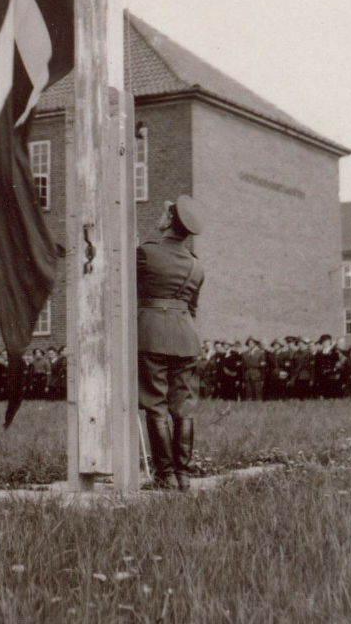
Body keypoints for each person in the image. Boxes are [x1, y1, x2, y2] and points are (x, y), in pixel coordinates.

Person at [137, 195, 205, 491]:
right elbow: (192, 307)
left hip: (153, 335)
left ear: (168, 222)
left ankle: (164, 475)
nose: (161, 215)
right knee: (184, 408)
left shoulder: (145, 253)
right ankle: (184, 475)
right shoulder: (195, 265)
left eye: (165, 213)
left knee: (156, 405)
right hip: (186, 338)